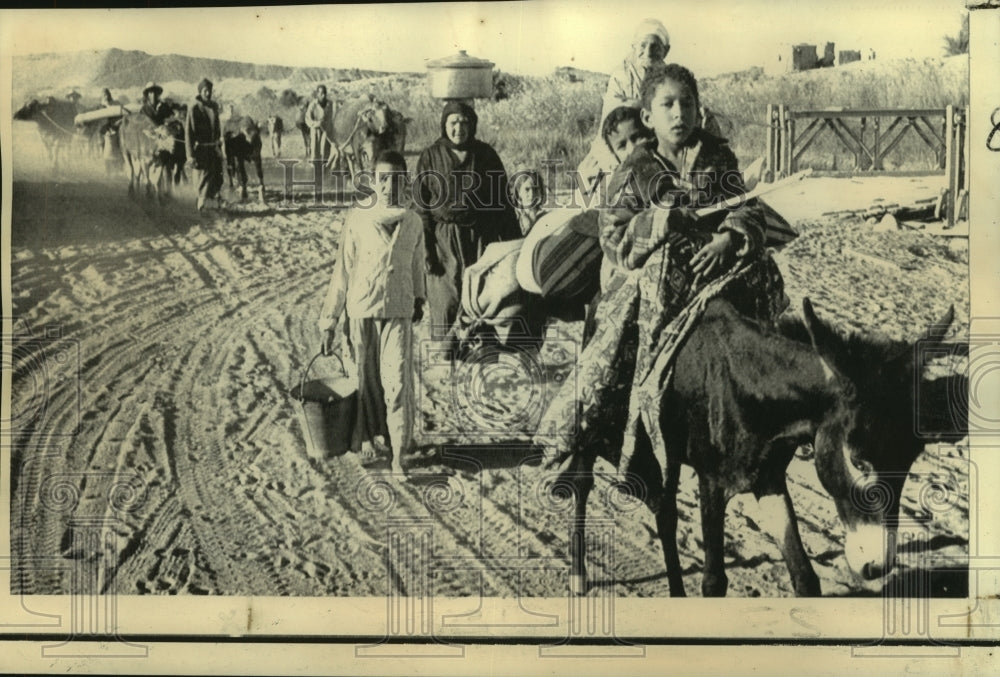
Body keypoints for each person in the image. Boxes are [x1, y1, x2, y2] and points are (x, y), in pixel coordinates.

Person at [535, 64, 786, 491]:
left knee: (766, 276)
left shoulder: (717, 156)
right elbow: (612, 237)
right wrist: (661, 222)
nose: (679, 113)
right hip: (654, 277)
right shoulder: (634, 169)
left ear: (699, 109)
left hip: (715, 268)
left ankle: (771, 407)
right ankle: (589, 436)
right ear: (649, 117)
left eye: (687, 103)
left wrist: (729, 236)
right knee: (613, 341)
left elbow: (744, 204)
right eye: (667, 104)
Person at [317, 150, 425, 476]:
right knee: (364, 381)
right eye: (382, 179)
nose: (389, 186)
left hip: (398, 311)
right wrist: (329, 321)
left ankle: (397, 455)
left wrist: (418, 298)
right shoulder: (359, 218)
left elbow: (416, 264)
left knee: (396, 382)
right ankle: (366, 436)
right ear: (372, 181)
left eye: (396, 179)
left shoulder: (413, 220)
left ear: (405, 181)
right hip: (361, 310)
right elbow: (342, 272)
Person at [414, 101, 520, 337]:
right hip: (443, 241)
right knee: (445, 300)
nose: (459, 128)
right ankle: (445, 361)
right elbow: (420, 207)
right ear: (444, 125)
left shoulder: (485, 155)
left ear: (472, 126)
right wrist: (427, 249)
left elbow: (502, 202)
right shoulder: (430, 156)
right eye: (453, 122)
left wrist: (515, 243)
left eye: (464, 122)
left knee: (480, 299)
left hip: (481, 238)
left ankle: (475, 362)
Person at [184, 78, 224, 210]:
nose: (208, 93)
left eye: (210, 91)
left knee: (217, 175)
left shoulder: (214, 107)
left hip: (213, 147)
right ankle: (201, 202)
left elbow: (217, 128)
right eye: (205, 91)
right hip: (200, 149)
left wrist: (219, 144)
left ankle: (212, 201)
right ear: (200, 92)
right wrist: (190, 155)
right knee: (204, 176)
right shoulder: (194, 108)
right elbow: (189, 133)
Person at [510, 169, 548, 236]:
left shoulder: (546, 216)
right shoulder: (513, 217)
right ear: (518, 192)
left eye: (535, 189)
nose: (532, 194)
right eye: (527, 189)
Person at [305, 85, 336, 162]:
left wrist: (327, 124)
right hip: (315, 130)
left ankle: (325, 168)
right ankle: (316, 168)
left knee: (325, 150)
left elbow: (332, 116)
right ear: (317, 94)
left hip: (326, 131)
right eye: (321, 93)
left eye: (325, 93)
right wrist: (316, 123)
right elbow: (308, 118)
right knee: (315, 150)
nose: (323, 95)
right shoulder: (313, 105)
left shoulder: (330, 104)